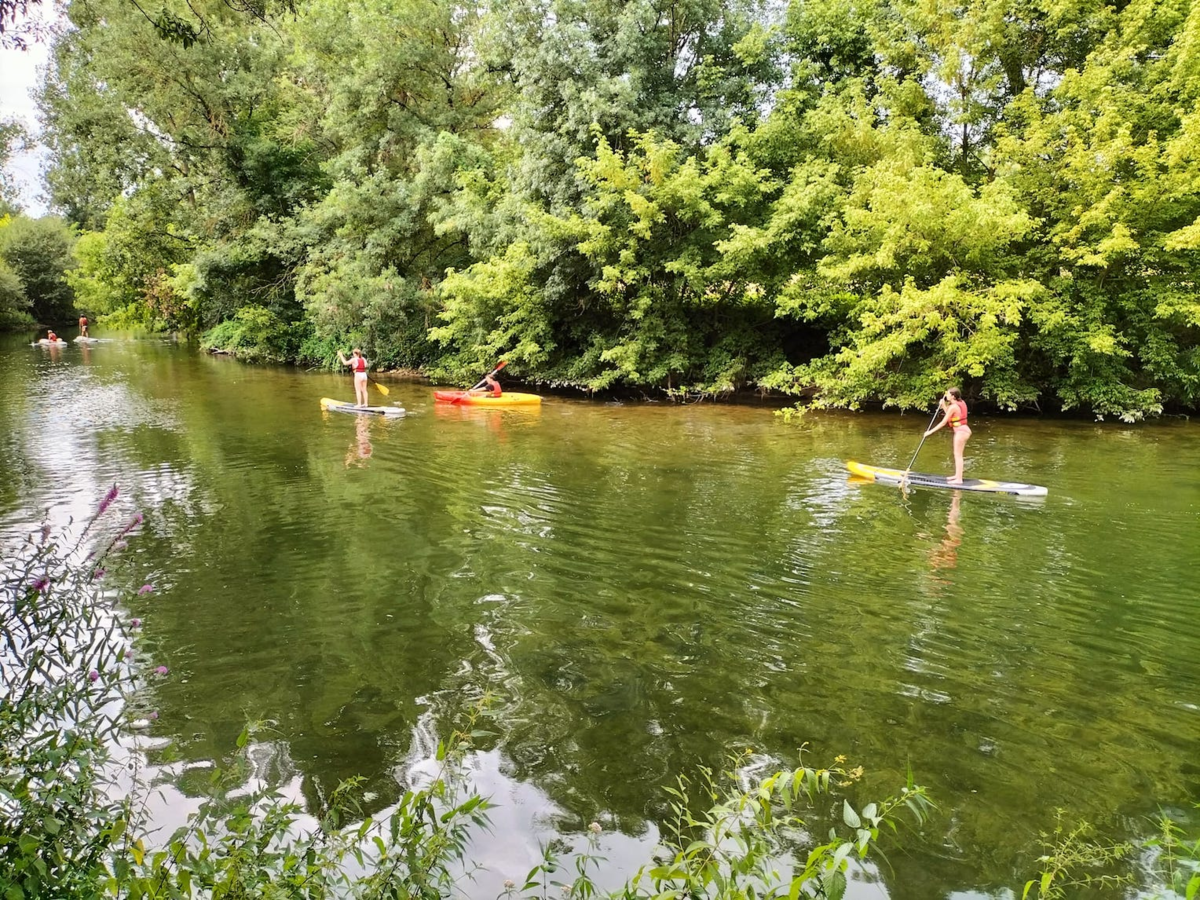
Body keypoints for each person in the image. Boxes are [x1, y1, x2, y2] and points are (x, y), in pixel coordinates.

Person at [924, 387, 971, 484]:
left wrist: (930, 432)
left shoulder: (953, 407)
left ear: (953, 396)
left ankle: (959, 479)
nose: (946, 396)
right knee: (957, 455)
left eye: (948, 394)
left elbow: (943, 422)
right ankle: (957, 476)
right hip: (964, 431)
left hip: (961, 432)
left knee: (958, 455)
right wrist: (944, 406)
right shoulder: (960, 403)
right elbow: (950, 417)